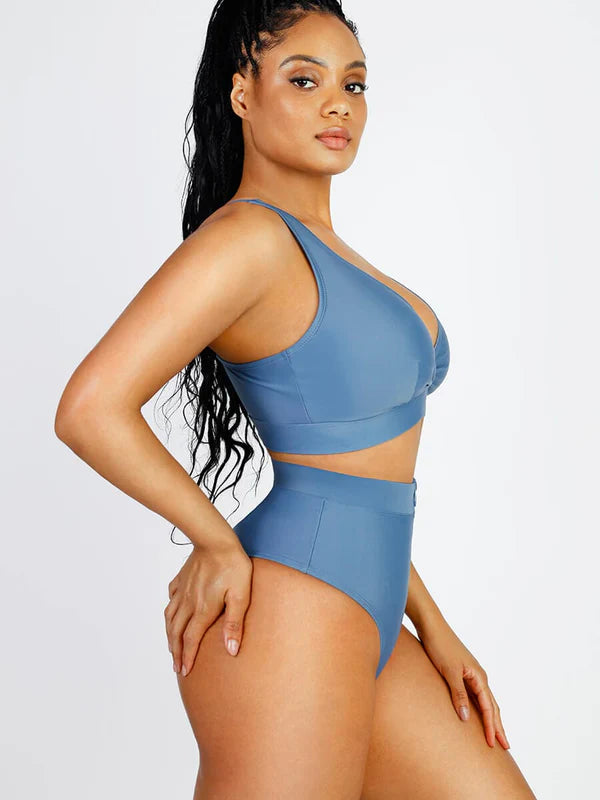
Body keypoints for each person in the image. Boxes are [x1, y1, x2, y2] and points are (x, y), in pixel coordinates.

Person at [55, 1, 538, 797]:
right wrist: (214, 542)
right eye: (305, 80)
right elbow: (89, 407)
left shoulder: (324, 248)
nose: (338, 104)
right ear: (242, 92)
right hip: (291, 609)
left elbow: (362, 483)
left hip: (370, 609)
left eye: (354, 83)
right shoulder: (249, 240)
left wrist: (432, 623)